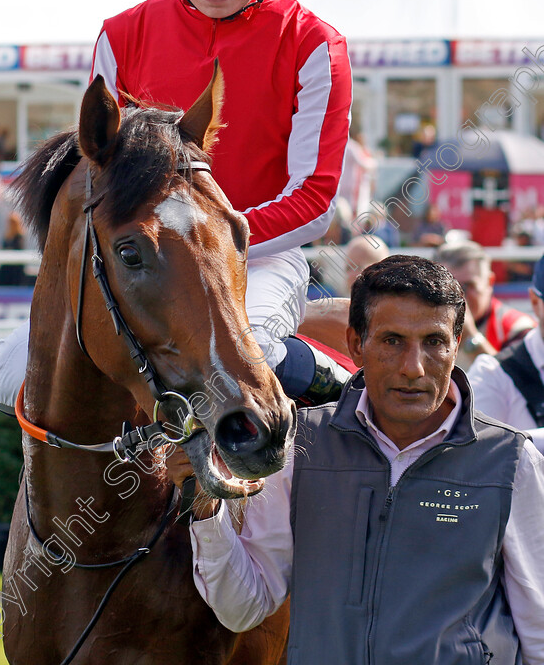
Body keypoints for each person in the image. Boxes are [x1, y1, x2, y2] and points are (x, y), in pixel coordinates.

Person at [0, 0, 352, 414]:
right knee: (7, 376)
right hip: (140, 257)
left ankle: (327, 372)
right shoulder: (121, 35)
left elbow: (315, 200)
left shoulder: (312, 43)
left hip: (257, 255)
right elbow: (93, 173)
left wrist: (203, 242)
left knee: (244, 362)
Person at [168, 255, 544, 664]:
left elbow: (539, 631)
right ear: (355, 345)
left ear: (456, 345)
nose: (414, 368)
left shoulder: (511, 460)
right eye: (392, 341)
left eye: (433, 342)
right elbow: (245, 608)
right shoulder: (300, 449)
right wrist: (207, 508)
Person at [468, 253, 544, 454]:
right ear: (535, 302)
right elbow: (477, 455)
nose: (463, 295)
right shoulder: (492, 373)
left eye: (469, 285)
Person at [435, 239, 535, 368]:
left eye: (467, 286)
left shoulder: (516, 328)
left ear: (489, 282)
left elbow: (518, 384)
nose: (457, 297)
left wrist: (470, 338)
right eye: (448, 288)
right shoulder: (422, 323)